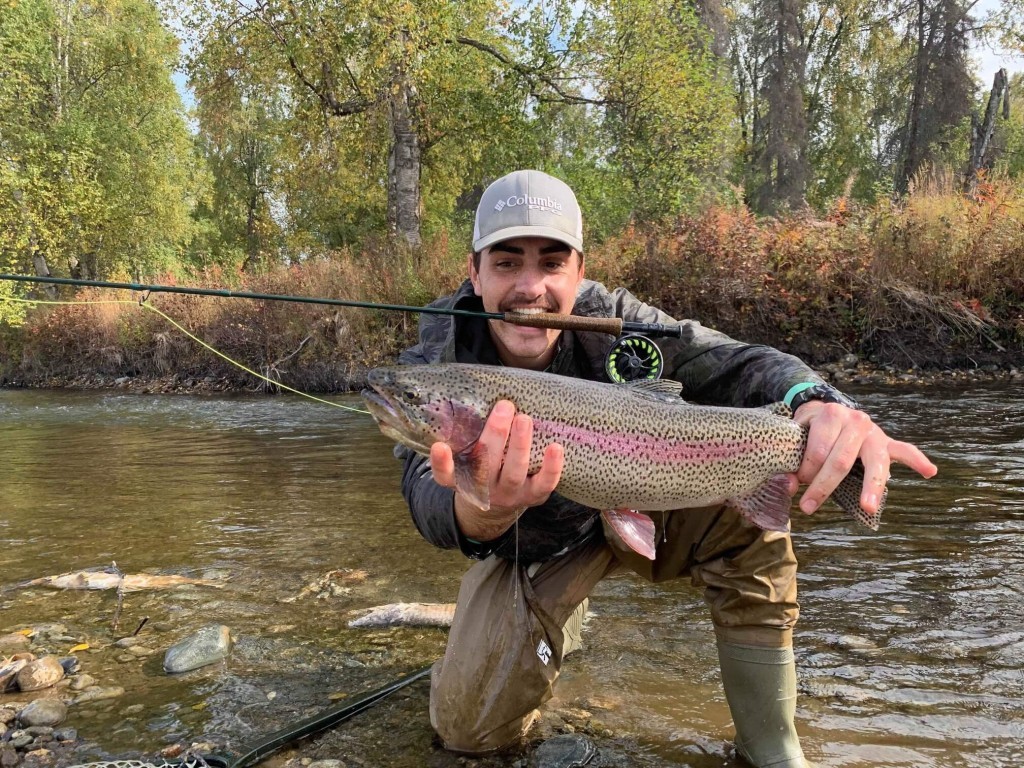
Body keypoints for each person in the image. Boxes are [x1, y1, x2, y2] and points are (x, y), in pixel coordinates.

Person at [395, 169, 937, 767]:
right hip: (533, 543)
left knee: (747, 507)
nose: (530, 287)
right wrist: (480, 511)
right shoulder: (437, 363)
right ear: (474, 272)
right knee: (468, 735)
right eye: (505, 263)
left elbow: (741, 363)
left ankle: (772, 743)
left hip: (649, 484)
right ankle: (558, 622)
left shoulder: (620, 321)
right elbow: (423, 498)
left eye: (552, 263)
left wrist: (821, 402)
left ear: (579, 271)